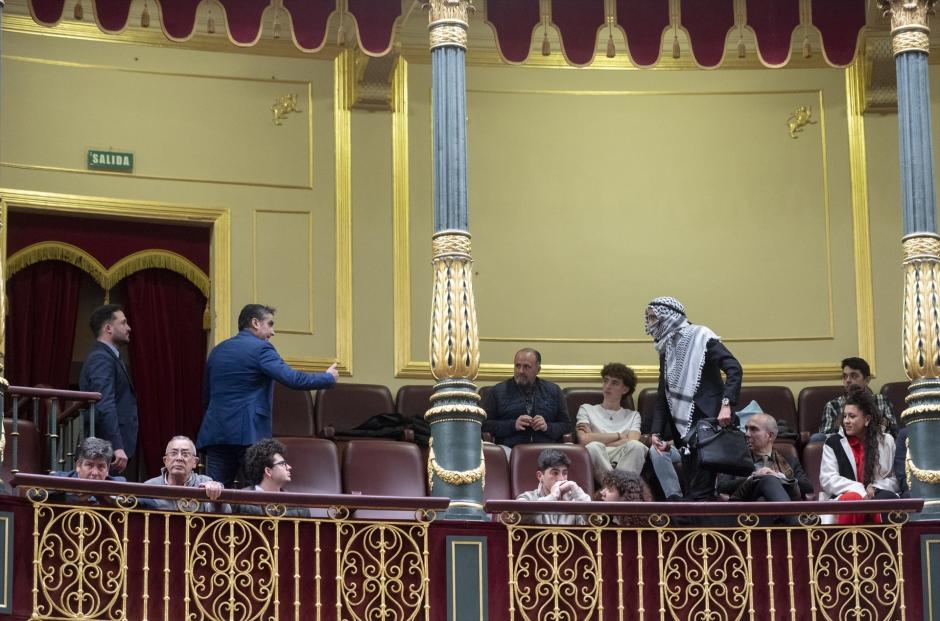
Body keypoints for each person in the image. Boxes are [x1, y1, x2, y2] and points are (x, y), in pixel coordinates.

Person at [197, 304, 340, 488]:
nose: (273, 332)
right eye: (270, 324)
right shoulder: (261, 349)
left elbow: (206, 398)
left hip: (216, 434)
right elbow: (293, 379)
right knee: (257, 494)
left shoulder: (217, 351)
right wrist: (327, 378)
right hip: (249, 434)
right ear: (255, 323)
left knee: (213, 494)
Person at [646, 297, 743, 501]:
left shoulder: (702, 336)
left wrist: (726, 405)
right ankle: (701, 530)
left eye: (652, 317)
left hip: (709, 423)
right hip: (684, 431)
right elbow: (664, 393)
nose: (648, 322)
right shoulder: (667, 347)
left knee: (700, 491)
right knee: (694, 489)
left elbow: (734, 368)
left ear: (668, 315)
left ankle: (698, 530)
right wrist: (656, 430)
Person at [819, 391, 899, 524]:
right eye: (844, 416)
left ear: (867, 419)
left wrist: (874, 488)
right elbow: (828, 479)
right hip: (844, 496)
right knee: (852, 498)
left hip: (877, 494)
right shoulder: (833, 443)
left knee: (886, 500)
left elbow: (895, 479)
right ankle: (848, 543)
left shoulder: (886, 441)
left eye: (852, 416)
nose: (846, 421)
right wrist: (860, 490)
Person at [79, 305, 137, 476]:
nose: (128, 328)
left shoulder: (109, 356)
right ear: (108, 328)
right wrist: (116, 446)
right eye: (124, 323)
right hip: (107, 451)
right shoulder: (101, 358)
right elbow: (105, 403)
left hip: (112, 449)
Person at [481, 349, 570, 454]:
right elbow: (485, 424)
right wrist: (513, 425)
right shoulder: (497, 391)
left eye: (526, 367)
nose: (521, 371)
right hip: (510, 449)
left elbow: (566, 425)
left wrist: (547, 427)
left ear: (538, 369)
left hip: (546, 449)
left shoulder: (553, 391)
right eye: (517, 366)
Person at [575, 363, 648, 483]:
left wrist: (594, 437)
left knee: (637, 446)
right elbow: (583, 440)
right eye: (605, 381)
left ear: (625, 389)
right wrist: (619, 435)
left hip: (623, 455)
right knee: (593, 447)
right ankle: (620, 491)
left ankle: (614, 490)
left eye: (614, 383)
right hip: (597, 455)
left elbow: (632, 442)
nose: (607, 386)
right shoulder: (586, 409)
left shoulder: (633, 415)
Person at [717, 412, 812, 503]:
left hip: (775, 511)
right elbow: (722, 487)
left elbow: (808, 487)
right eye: (746, 429)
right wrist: (753, 478)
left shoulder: (790, 461)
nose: (747, 434)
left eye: (753, 429)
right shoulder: (736, 460)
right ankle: (792, 519)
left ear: (770, 435)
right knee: (767, 480)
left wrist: (779, 477)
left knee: (769, 480)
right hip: (747, 510)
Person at [815, 357, 898, 441]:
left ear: (867, 380)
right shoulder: (833, 405)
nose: (848, 380)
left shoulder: (881, 400)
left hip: (876, 445)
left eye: (853, 376)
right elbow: (826, 436)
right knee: (817, 438)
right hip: (842, 449)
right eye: (845, 376)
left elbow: (893, 431)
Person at [140, 436, 224, 512]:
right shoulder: (150, 486)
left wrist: (217, 495)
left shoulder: (204, 482)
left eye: (185, 454)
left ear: (195, 462)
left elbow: (225, 516)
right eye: (173, 453)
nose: (179, 458)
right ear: (165, 461)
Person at [235, 438, 310, 517]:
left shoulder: (298, 504)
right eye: (282, 463)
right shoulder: (240, 499)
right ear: (268, 471)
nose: (289, 467)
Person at [516, 448, 591, 525]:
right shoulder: (527, 498)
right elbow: (517, 517)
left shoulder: (575, 500)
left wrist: (577, 491)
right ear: (540, 476)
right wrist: (552, 497)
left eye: (564, 473)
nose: (561, 479)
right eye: (555, 473)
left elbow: (595, 520)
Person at [52, 437, 125, 504]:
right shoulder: (59, 480)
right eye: (89, 465)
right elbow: (41, 495)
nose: (95, 473)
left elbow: (134, 502)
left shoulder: (118, 484)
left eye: (101, 466)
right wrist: (68, 499)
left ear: (107, 469)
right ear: (78, 465)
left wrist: (113, 501)